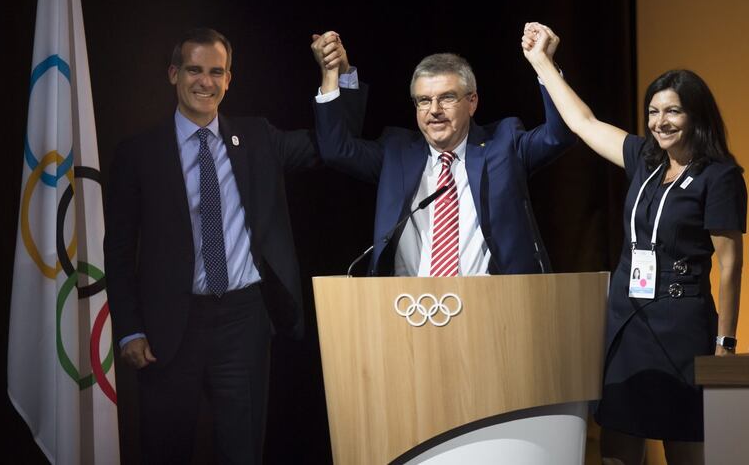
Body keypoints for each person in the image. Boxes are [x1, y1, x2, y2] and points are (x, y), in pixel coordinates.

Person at [104, 28, 359, 464]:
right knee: (165, 451)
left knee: (242, 451)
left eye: (216, 72)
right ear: (173, 74)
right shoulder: (138, 153)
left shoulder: (258, 138)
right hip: (168, 327)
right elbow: (120, 250)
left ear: (229, 80)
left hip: (244, 322)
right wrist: (129, 328)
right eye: (195, 70)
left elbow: (332, 147)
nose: (206, 82)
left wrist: (337, 75)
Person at [522, 22, 746, 465]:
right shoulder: (645, 159)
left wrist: (726, 344)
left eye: (673, 112)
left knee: (692, 447)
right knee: (617, 449)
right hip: (627, 321)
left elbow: (731, 264)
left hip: (685, 327)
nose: (659, 122)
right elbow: (583, 123)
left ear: (695, 116)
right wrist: (542, 63)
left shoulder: (720, 177)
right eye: (653, 112)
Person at [310, 33, 576, 277]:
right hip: (408, 308)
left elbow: (561, 133)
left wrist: (544, 64)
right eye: (423, 100)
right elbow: (337, 150)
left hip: (493, 306)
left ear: (472, 102)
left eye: (447, 98)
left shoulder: (504, 145)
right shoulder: (396, 153)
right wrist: (335, 74)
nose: (434, 110)